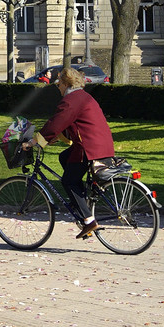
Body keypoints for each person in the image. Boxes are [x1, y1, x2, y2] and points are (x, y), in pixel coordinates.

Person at [32, 65, 115, 239]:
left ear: (65, 82)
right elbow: (71, 124)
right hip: (101, 144)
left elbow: (56, 122)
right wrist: (53, 138)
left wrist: (37, 141)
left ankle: (88, 220)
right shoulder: (82, 96)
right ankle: (81, 199)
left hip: (89, 148)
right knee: (65, 157)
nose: (58, 87)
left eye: (58, 83)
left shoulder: (71, 100)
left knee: (69, 181)